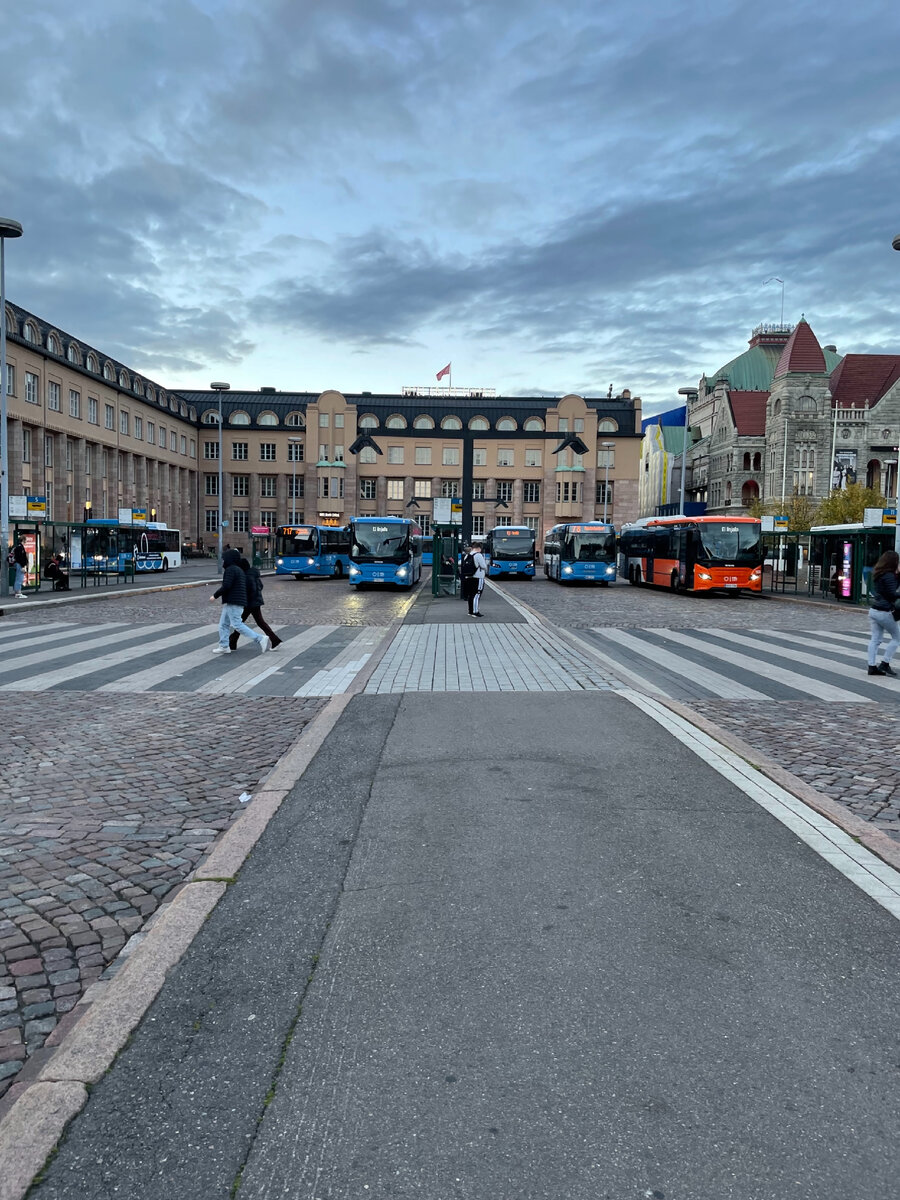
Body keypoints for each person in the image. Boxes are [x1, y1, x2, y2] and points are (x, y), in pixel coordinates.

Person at [210, 548, 270, 654]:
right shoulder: (238, 570)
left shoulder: (231, 570)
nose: (223, 561)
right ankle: (224, 645)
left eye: (224, 559)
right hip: (235, 601)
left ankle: (260, 638)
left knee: (237, 624)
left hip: (234, 601)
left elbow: (227, 585)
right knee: (223, 624)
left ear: (229, 559)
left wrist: (215, 596)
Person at [228, 558, 282, 651]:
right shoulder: (252, 574)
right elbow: (260, 586)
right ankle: (233, 641)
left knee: (241, 622)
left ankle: (275, 640)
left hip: (250, 603)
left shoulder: (247, 576)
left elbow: (251, 589)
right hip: (254, 601)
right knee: (244, 622)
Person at [866, 550, 900, 677]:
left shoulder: (879, 573)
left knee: (875, 639)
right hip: (884, 611)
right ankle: (885, 663)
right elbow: (892, 593)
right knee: (897, 638)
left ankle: (872, 666)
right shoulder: (890, 575)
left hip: (874, 610)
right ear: (893, 562)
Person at [460, 541, 487, 617]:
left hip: (468, 577)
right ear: (479, 548)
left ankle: (470, 611)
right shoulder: (478, 555)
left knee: (470, 595)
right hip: (478, 577)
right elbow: (484, 566)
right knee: (477, 594)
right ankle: (475, 611)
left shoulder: (467, 555)